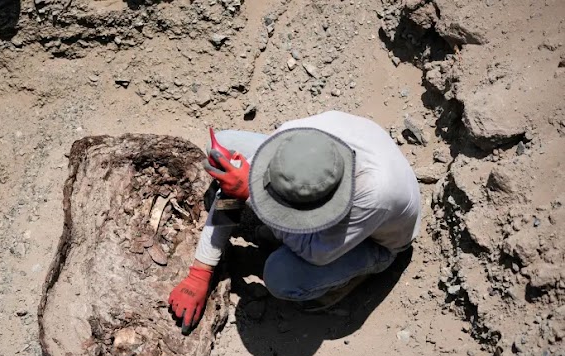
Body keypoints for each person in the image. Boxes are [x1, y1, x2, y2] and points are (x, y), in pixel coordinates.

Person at [167, 110, 421, 330]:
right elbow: (231, 191)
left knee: (282, 277)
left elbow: (316, 252)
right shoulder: (294, 134)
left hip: (378, 241)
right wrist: (200, 272)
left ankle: (350, 276)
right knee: (226, 145)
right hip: (349, 174)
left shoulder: (374, 193)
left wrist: (252, 196)